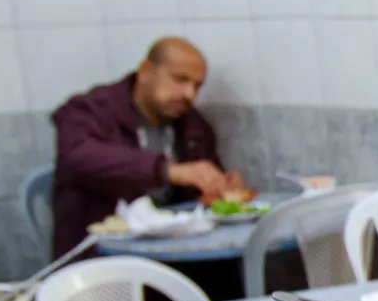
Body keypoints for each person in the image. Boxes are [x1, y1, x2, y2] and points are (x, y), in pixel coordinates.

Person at [50, 38, 244, 256]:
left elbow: (201, 191)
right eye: (180, 80)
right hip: (103, 257)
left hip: (175, 254)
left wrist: (221, 187)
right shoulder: (91, 111)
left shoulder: (192, 125)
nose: (189, 94)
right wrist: (167, 170)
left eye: (197, 86)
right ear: (145, 71)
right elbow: (78, 157)